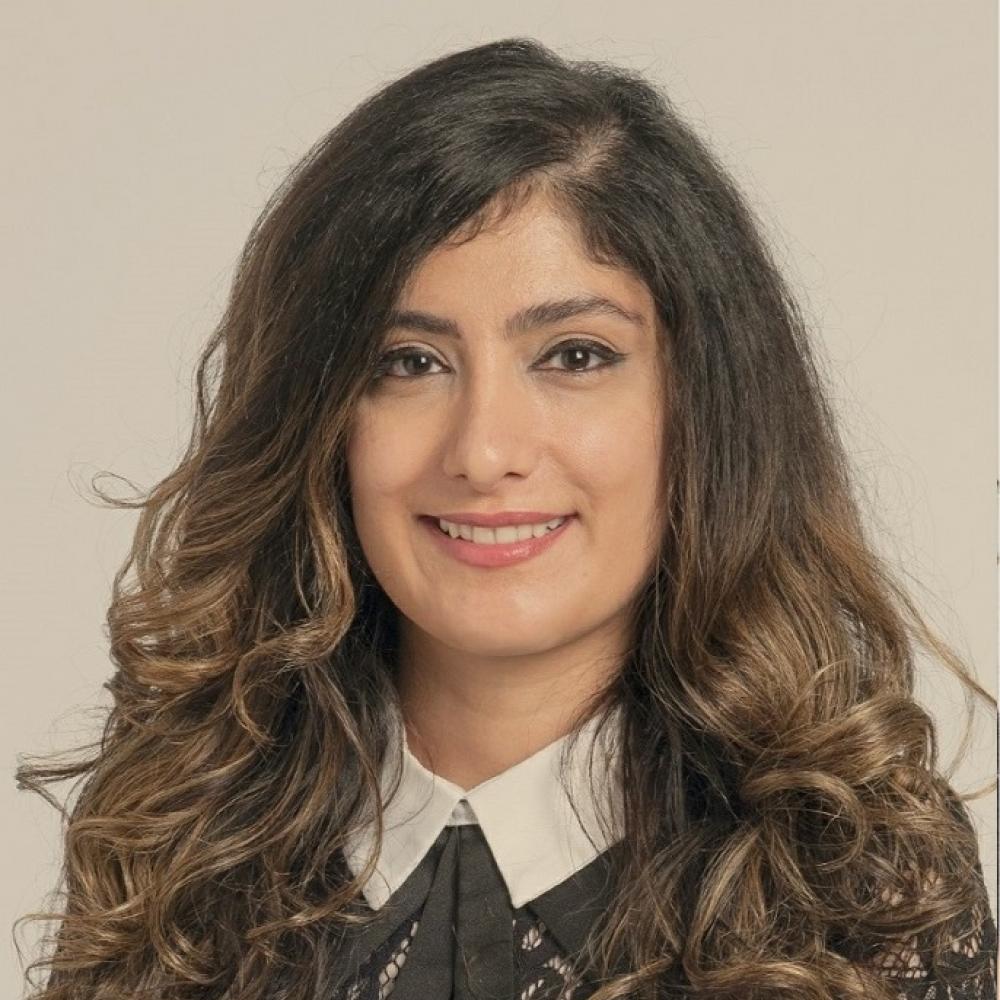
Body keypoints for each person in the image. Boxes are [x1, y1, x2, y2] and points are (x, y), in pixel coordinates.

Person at [15, 36, 996, 1000]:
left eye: (574, 355)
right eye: (407, 362)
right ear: (321, 420)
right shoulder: (179, 841)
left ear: (703, 404)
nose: (483, 451)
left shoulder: (858, 887)